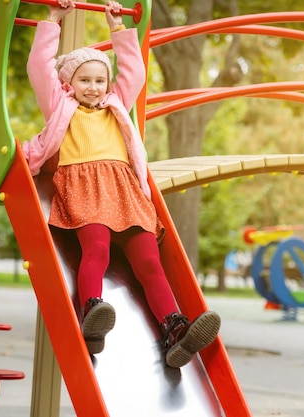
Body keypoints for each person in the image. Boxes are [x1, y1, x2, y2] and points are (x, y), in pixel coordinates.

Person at [21, 0, 221, 368]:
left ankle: (174, 330)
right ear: (69, 83)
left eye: (100, 80)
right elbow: (39, 67)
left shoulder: (117, 104)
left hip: (124, 190)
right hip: (83, 188)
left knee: (149, 260)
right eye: (85, 80)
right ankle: (92, 314)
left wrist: (117, 29)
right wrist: (53, 21)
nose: (94, 88)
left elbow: (134, 72)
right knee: (95, 248)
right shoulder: (60, 106)